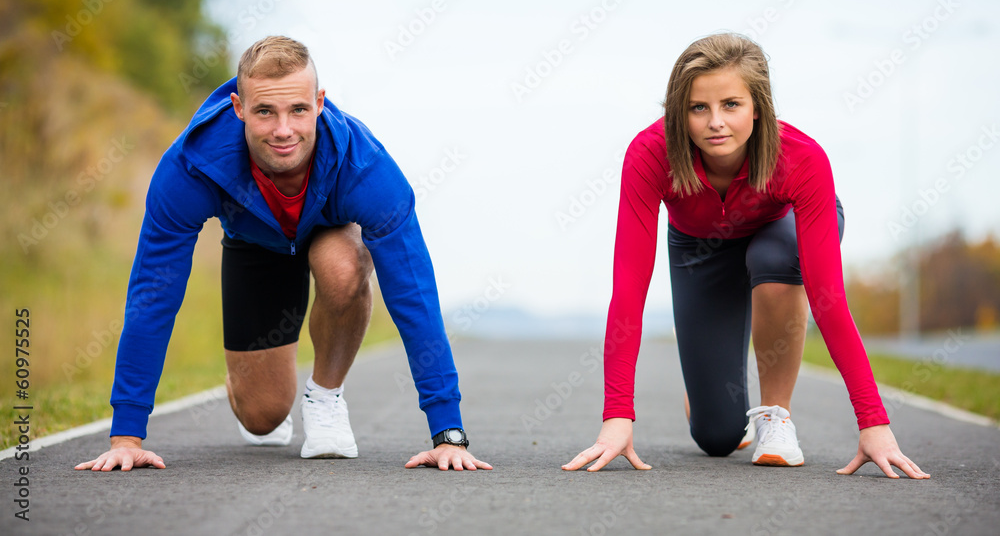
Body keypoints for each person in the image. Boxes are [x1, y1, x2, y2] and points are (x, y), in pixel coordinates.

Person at [76, 36, 491, 472]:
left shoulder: (367, 171)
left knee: (345, 266)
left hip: (330, 233)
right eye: (264, 112)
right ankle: (246, 380)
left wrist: (449, 434)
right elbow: (153, 294)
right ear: (238, 107)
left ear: (319, 103)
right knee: (262, 417)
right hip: (253, 243)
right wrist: (126, 435)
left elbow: (414, 293)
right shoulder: (190, 168)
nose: (283, 130)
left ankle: (326, 397)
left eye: (298, 110)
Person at [563, 33, 928, 479]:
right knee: (716, 437)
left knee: (775, 256)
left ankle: (776, 417)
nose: (716, 122)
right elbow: (629, 291)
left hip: (784, 230)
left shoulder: (802, 158)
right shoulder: (649, 153)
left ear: (759, 107)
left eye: (731, 105)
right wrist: (617, 418)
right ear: (679, 112)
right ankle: (712, 389)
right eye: (699, 108)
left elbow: (828, 301)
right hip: (700, 247)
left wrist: (874, 423)